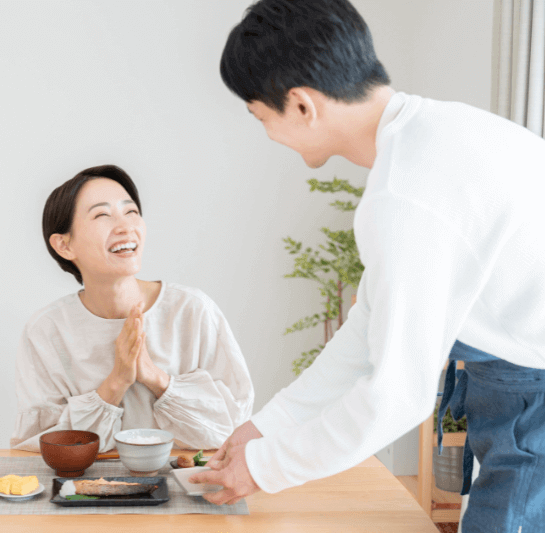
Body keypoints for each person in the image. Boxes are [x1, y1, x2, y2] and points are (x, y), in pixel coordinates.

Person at [190, 1, 545, 531]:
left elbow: (397, 396)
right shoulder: (437, 135)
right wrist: (266, 427)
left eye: (261, 117)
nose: (268, 135)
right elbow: (368, 330)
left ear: (302, 105)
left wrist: (264, 468)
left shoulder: (405, 197)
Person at [11, 164, 254, 453]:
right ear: (64, 245)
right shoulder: (47, 331)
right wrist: (115, 384)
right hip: (85, 489)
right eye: (102, 215)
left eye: (132, 212)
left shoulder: (192, 310)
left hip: (187, 484)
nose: (126, 227)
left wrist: (154, 377)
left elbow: (233, 427)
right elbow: (41, 444)